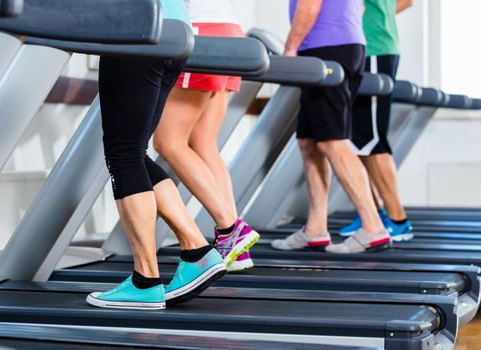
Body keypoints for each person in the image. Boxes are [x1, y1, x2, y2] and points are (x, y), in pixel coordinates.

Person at [86, 0, 227, 310]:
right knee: (134, 153)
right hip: (176, 32)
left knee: (123, 155)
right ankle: (196, 252)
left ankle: (145, 281)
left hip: (136, 26)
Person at [272, 0, 391, 254]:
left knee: (331, 140)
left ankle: (373, 226)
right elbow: (358, 8)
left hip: (327, 48)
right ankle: (316, 229)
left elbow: (310, 4)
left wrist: (291, 47)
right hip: (337, 45)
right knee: (308, 140)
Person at [154, 0, 260, 272]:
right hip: (228, 30)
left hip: (201, 31)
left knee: (168, 142)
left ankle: (231, 228)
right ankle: (233, 245)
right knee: (204, 145)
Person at [341, 0, 414, 242]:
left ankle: (398, 220)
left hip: (373, 47)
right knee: (358, 139)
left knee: (373, 139)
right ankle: (373, 213)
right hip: (372, 46)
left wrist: (372, 18)